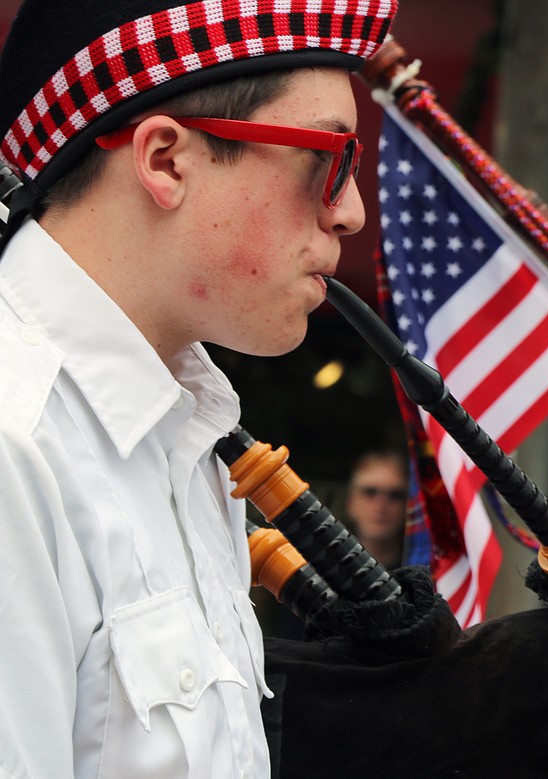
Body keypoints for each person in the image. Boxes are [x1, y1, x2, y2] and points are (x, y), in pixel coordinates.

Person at [0, 1, 397, 776]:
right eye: (329, 156)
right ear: (165, 161)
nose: (349, 210)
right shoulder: (17, 444)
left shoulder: (191, 437)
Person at [346, 450, 410, 569]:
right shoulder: (321, 567)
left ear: (408, 505)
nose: (381, 505)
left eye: (395, 495)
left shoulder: (427, 575)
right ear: (351, 502)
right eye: (370, 492)